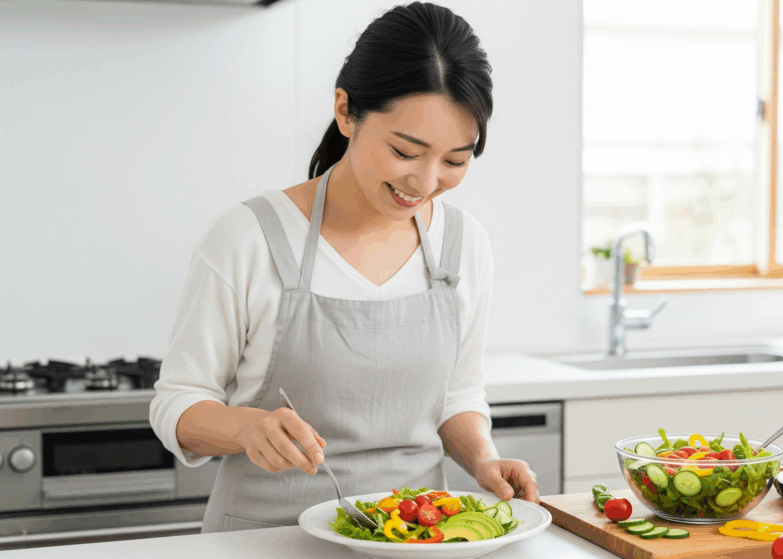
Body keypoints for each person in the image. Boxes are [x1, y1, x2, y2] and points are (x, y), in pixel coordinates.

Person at [149, 2, 539, 533]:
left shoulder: (463, 244)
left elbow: (457, 395)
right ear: (346, 111)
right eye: (406, 151)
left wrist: (482, 459)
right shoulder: (248, 238)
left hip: (420, 539)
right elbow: (179, 404)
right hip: (265, 540)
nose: (425, 183)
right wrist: (245, 429)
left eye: (454, 161)